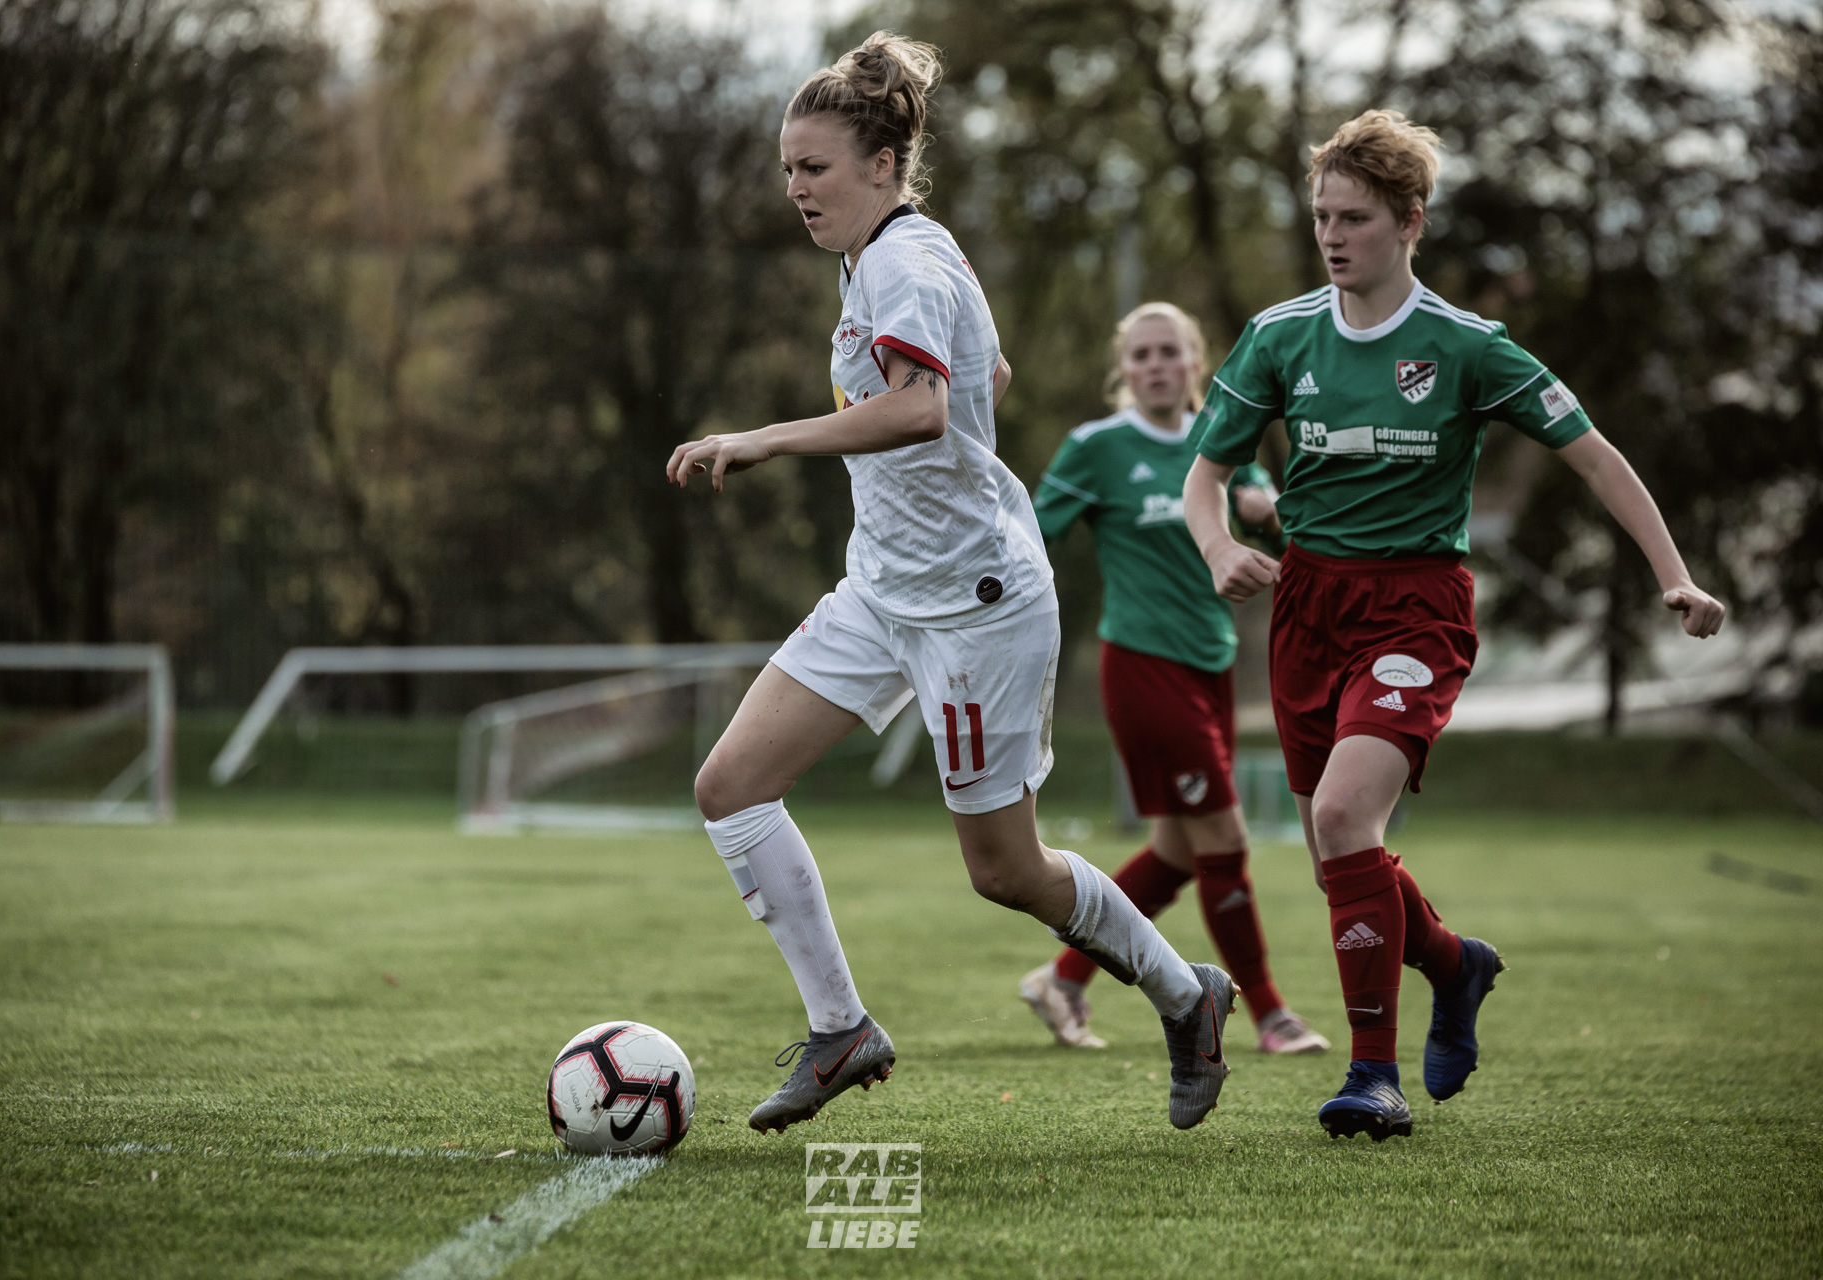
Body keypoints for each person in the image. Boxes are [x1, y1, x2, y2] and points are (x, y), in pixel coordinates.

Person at [666, 32, 1234, 1137]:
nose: (795, 187)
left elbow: (925, 405)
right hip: (882, 588)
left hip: (978, 607)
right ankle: (841, 1030)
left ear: (882, 164)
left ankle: (1185, 992)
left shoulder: (905, 261)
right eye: (787, 166)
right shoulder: (889, 251)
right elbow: (990, 375)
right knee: (730, 784)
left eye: (814, 166)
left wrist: (768, 438)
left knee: (1006, 869)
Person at [1182, 109, 1726, 1141]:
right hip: (1307, 607)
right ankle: (1452, 961)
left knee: (1344, 820)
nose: (1334, 237)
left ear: (1410, 221)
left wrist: (1675, 576)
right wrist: (1217, 548)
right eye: (1321, 218)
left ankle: (1370, 1074)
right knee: (1339, 849)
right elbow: (1205, 478)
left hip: (1417, 607)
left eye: (1356, 218)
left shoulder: (1468, 347)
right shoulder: (1279, 334)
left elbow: (1597, 456)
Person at [1019, 301, 1330, 1057]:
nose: (1157, 366)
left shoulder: (1224, 443)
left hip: (1214, 663)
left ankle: (1060, 978)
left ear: (1198, 362)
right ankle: (1268, 1013)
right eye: (1142, 355)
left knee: (1180, 854)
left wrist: (1265, 509)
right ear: (1123, 371)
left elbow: (1278, 527)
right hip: (1141, 663)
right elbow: (1026, 532)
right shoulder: (1097, 448)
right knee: (1224, 834)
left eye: (1171, 352)